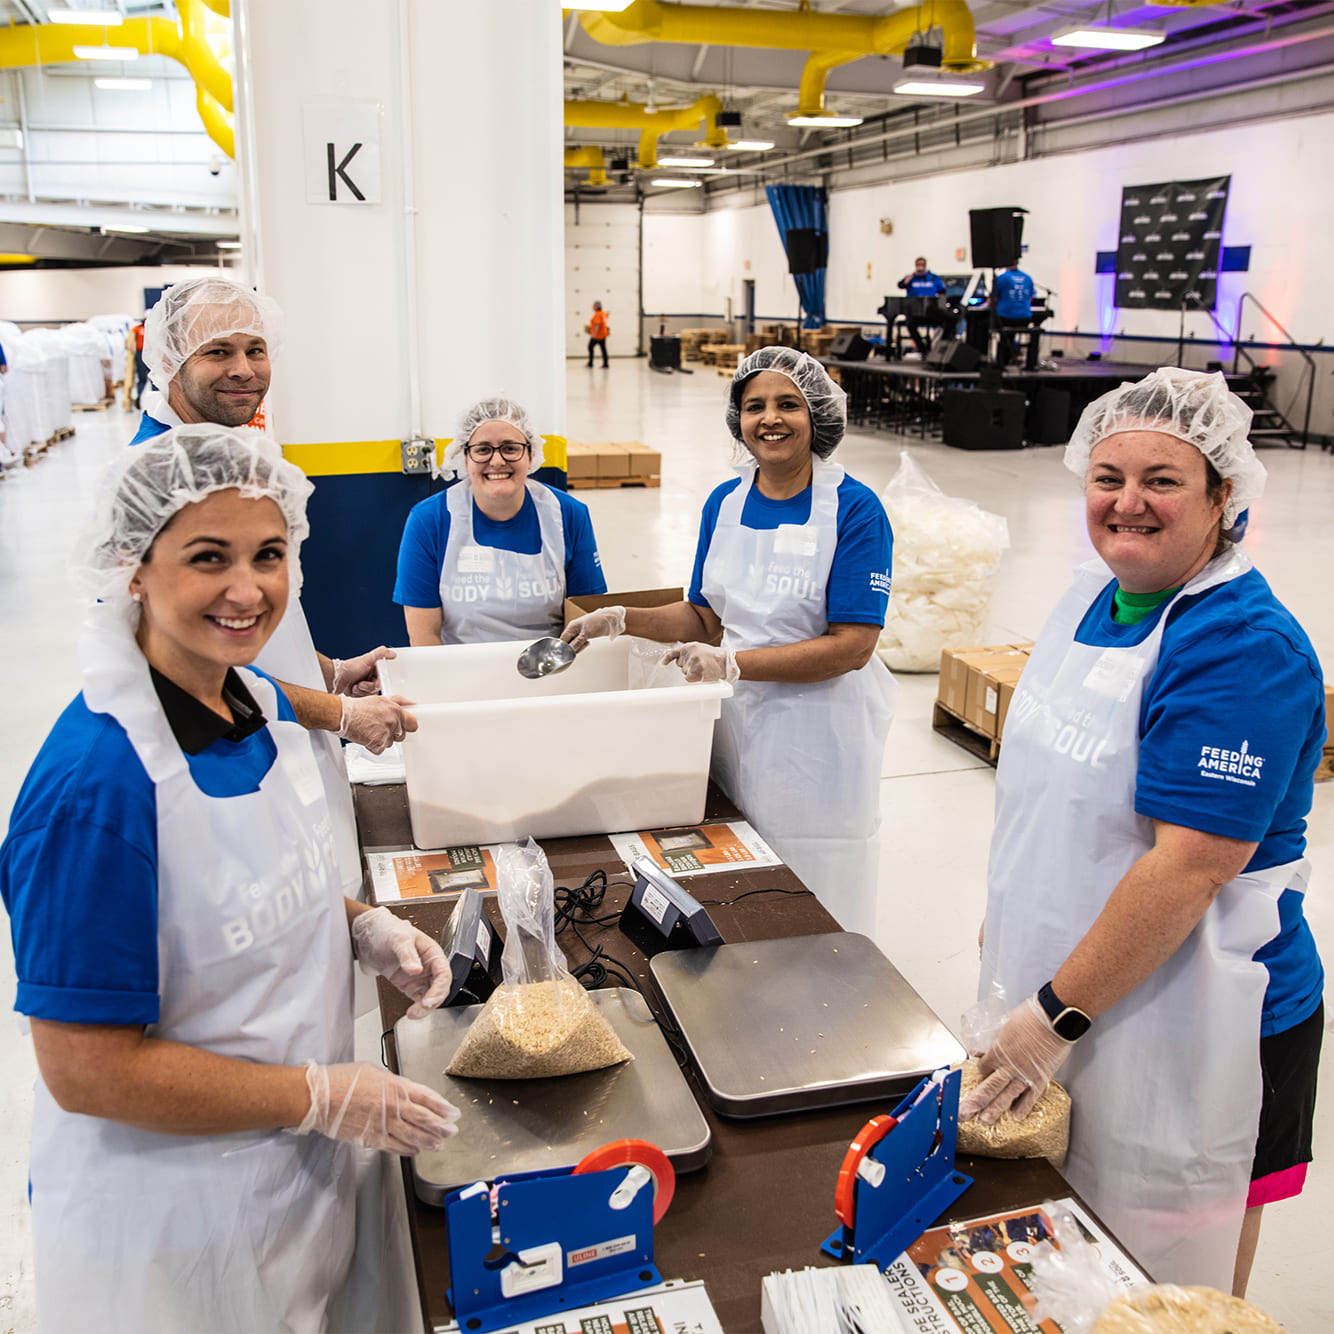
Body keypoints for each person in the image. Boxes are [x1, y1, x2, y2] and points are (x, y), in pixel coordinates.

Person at [0, 425, 462, 1333]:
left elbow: (240, 886)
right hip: (177, 1232)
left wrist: (361, 926)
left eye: (270, 554)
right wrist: (320, 1095)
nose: (248, 591)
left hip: (290, 1178)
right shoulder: (96, 790)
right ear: (132, 566)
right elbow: (86, 1070)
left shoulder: (247, 698)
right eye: (207, 557)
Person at [961, 368, 1324, 1296]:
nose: (1128, 503)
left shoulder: (1240, 645)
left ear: (1224, 498)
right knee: (1069, 1244)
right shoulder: (1091, 597)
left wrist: (1050, 1021)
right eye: (1107, 477)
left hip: (1207, 1014)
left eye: (1163, 480)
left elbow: (1189, 870)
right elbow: (1049, 795)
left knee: (1170, 1276)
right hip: (1081, 979)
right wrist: (1007, 921)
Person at [561, 348, 896, 935]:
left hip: (819, 729)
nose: (770, 419)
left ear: (817, 414)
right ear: (737, 419)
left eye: (788, 404)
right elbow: (702, 614)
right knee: (735, 859)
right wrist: (618, 618)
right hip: (733, 717)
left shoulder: (855, 508)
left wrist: (732, 661)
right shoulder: (727, 501)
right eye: (754, 406)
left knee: (814, 868)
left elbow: (852, 647)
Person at [136, 275, 414, 898]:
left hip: (285, 742)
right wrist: (341, 713)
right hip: (229, 772)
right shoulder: (163, 481)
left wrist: (330, 671)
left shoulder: (224, 454)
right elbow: (191, 677)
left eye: (255, 350)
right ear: (169, 362)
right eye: (217, 351)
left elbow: (247, 627)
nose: (243, 369)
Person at [395, 396, 606, 644]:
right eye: (483, 449)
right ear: (465, 458)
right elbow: (424, 636)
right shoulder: (430, 521)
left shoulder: (568, 515)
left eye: (510, 448)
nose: (497, 461)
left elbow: (584, 621)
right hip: (459, 672)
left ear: (531, 455)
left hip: (548, 670)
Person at [897, 257, 947, 358]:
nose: (920, 267)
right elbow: (901, 285)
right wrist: (913, 275)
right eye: (918, 265)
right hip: (914, 313)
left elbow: (942, 292)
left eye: (922, 265)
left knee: (946, 323)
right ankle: (923, 349)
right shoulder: (911, 278)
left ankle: (939, 351)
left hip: (930, 312)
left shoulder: (933, 278)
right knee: (910, 324)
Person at [991, 262, 1036, 368]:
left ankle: (1000, 362)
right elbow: (1030, 299)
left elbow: (993, 299)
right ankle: (1015, 357)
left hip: (1006, 317)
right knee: (1011, 334)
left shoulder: (1002, 278)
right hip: (1025, 318)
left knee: (982, 325)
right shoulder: (1027, 278)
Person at [587, 300, 610, 367]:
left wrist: (593, 335)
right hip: (603, 334)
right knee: (603, 349)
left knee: (590, 347)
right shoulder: (603, 312)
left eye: (593, 305)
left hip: (598, 335)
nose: (592, 307)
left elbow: (597, 325)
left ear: (597, 306)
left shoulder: (597, 314)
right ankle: (606, 364)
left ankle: (590, 363)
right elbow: (606, 317)